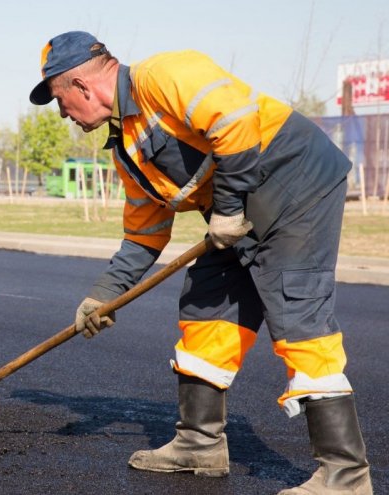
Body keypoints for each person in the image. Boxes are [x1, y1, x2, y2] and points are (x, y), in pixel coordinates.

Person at [29, 31, 372, 494]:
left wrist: (228, 208)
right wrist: (103, 295)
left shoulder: (162, 75)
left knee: (298, 314)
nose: (64, 115)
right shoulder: (128, 148)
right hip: (239, 214)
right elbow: (143, 235)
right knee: (208, 300)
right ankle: (199, 444)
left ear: (82, 87)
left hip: (296, 186)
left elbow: (234, 121)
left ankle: (345, 476)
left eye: (59, 101)